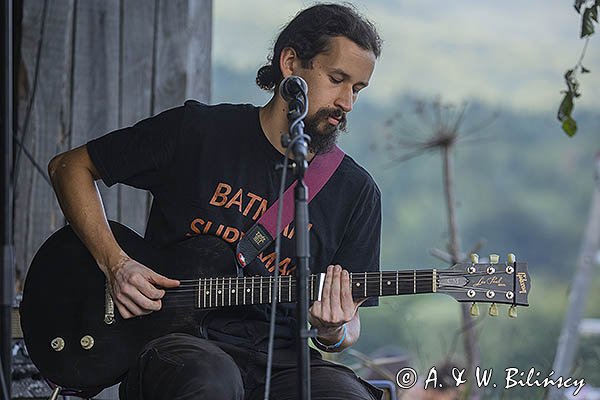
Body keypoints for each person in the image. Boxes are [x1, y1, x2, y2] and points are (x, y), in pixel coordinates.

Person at [48, 3, 383, 399]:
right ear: (291, 64)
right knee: (211, 383)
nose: (346, 103)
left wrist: (332, 330)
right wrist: (116, 264)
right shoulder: (199, 133)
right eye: (337, 79)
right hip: (176, 344)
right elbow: (70, 167)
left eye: (357, 89)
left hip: (283, 360)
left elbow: (349, 323)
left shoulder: (356, 192)